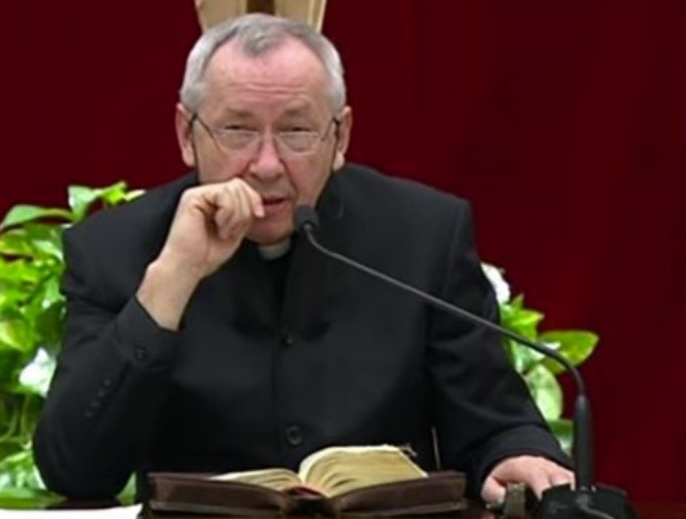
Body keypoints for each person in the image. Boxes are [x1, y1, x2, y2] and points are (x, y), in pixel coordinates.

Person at [32, 12, 573, 504]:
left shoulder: (423, 235)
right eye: (238, 129)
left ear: (340, 137)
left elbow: (495, 422)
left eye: (296, 131)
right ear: (186, 135)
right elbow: (74, 471)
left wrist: (514, 455)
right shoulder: (115, 249)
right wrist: (170, 280)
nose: (266, 165)